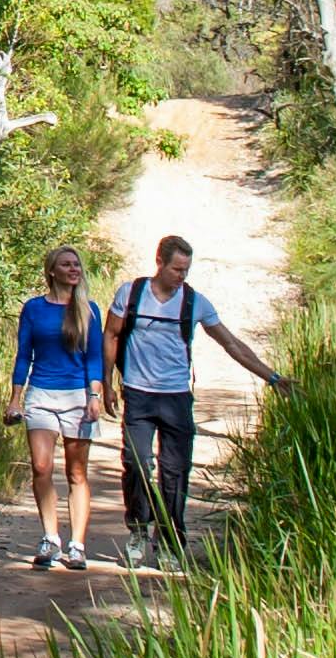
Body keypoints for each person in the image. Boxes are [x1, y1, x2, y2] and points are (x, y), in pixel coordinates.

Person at [107, 231, 290, 563]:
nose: (182, 277)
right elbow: (111, 335)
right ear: (159, 263)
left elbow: (231, 344)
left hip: (176, 399)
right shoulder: (131, 294)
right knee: (135, 462)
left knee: (174, 472)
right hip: (138, 395)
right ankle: (138, 529)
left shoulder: (194, 302)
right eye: (177, 270)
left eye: (186, 270)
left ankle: (170, 543)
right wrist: (104, 383)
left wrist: (273, 378)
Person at [7, 242, 109, 572]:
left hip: (77, 397)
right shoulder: (34, 309)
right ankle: (50, 537)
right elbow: (24, 355)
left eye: (76, 264)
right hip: (41, 395)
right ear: (52, 271)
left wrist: (95, 395)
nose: (73, 269)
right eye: (66, 264)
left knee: (76, 472)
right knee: (41, 467)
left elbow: (95, 357)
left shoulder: (88, 309)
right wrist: (15, 398)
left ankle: (77, 545)